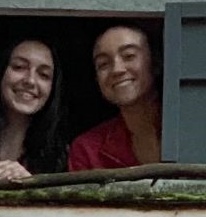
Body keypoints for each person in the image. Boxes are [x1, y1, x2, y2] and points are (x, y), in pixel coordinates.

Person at [67, 23, 162, 172]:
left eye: (129, 56)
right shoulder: (88, 148)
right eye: (103, 64)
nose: (117, 70)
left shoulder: (194, 127)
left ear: (156, 62)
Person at [0, 36, 66, 182]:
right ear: (0, 72)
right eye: (19, 67)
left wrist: (29, 185)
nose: (30, 81)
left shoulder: (59, 156)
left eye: (43, 75)